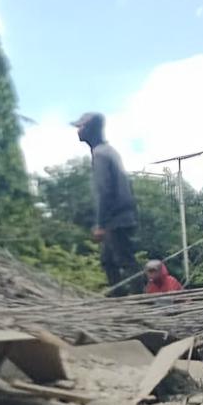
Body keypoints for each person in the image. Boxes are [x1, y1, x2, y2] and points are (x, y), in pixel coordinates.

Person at [75, 112, 139, 296]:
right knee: (108, 260)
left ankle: (141, 300)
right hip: (123, 215)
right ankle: (119, 299)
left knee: (125, 260)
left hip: (115, 218)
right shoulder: (109, 151)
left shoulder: (100, 154)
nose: (78, 131)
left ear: (91, 129)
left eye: (81, 126)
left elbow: (105, 191)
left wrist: (101, 224)